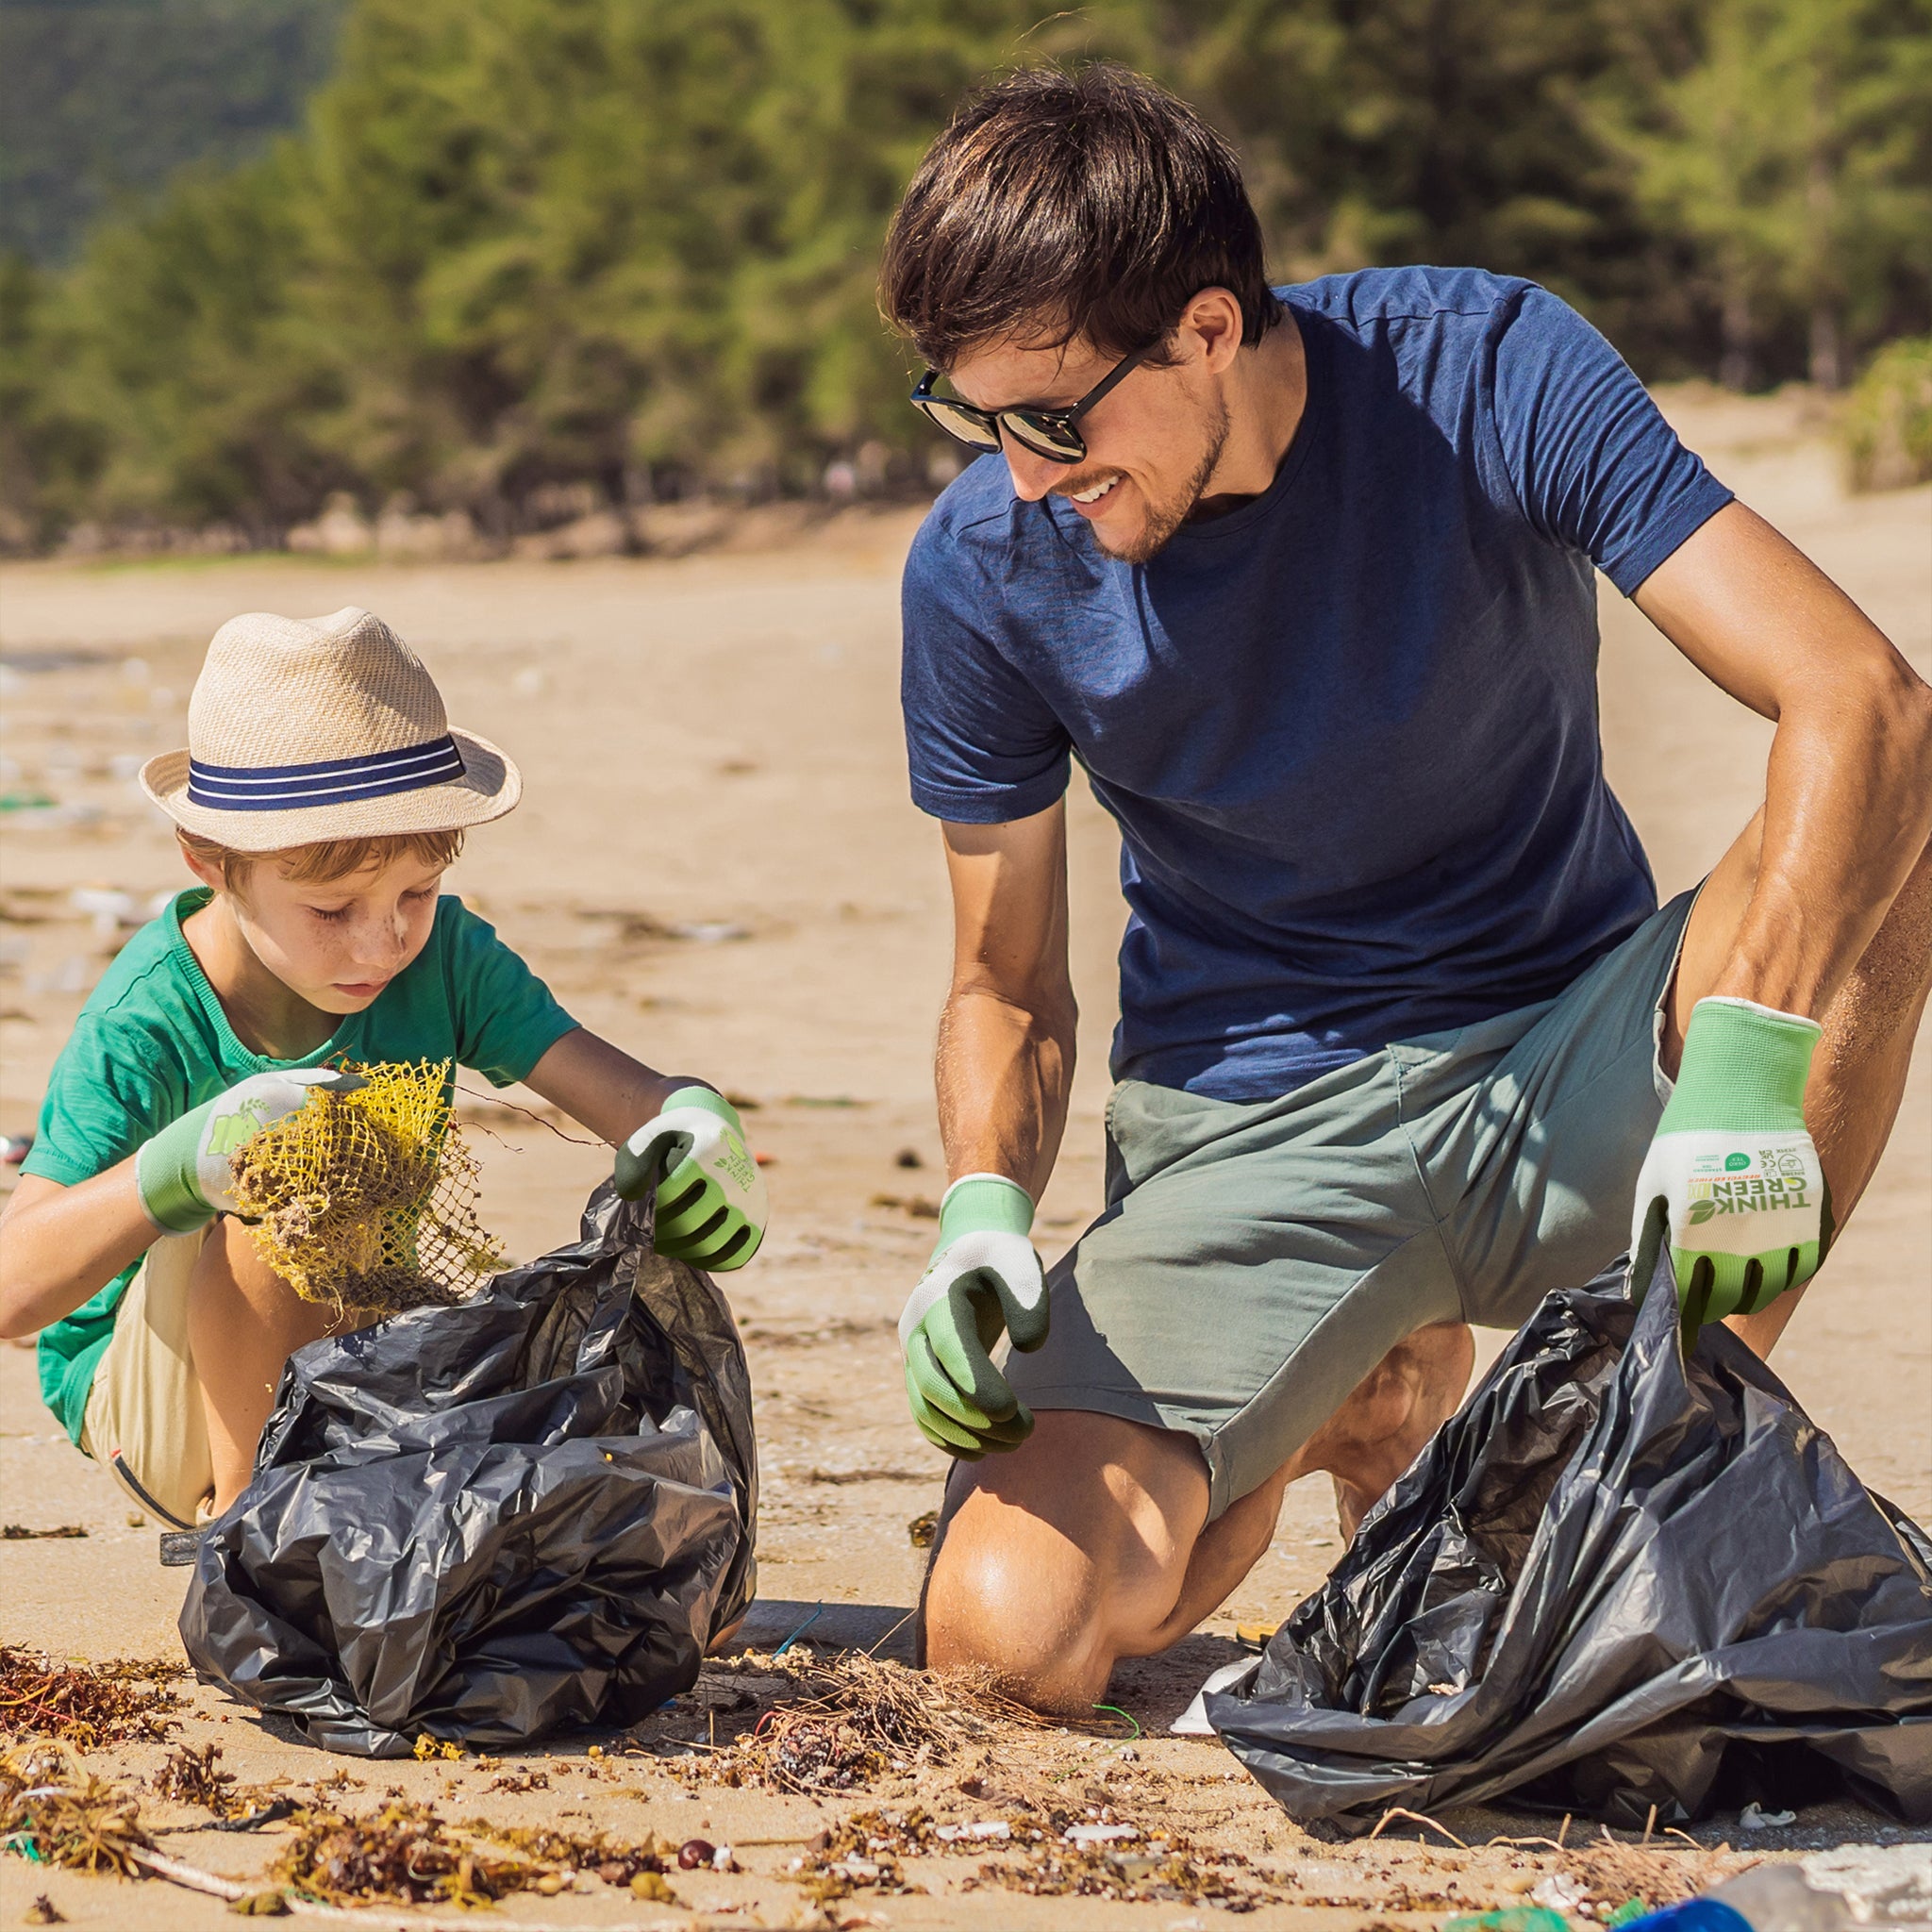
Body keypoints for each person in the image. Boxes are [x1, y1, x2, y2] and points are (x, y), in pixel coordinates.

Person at [879, 66, 1932, 1712]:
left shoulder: (1487, 366)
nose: (1019, 477)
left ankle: (1631, 1451)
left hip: (1569, 1057)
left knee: (1899, 823)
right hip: (1246, 1123)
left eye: (1051, 419)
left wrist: (1737, 1072)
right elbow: (1005, 979)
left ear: (1207, 331)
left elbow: (1856, 695)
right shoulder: (979, 570)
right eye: (969, 419)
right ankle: (1352, 1395)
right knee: (1007, 1641)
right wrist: (978, 1215)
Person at [0, 606, 767, 1551]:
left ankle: (339, 1505)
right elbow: (12, 1289)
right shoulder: (146, 1017)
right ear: (210, 862)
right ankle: (252, 1544)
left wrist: (695, 1125)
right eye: (331, 908)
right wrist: (183, 1165)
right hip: (166, 1412)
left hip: (355, 1349)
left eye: (415, 892)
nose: (383, 941)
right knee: (286, 1175)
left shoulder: (443, 958)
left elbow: (631, 1102)